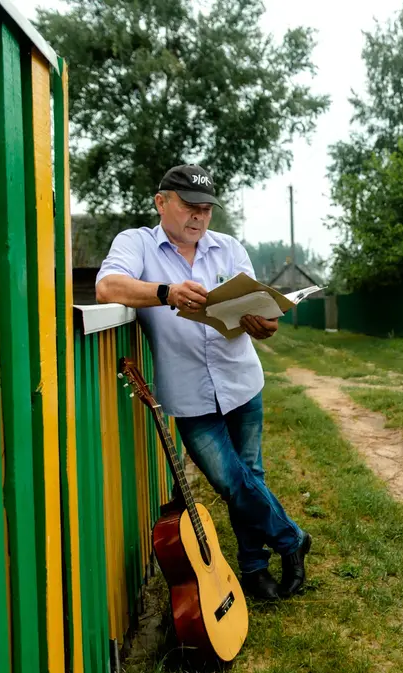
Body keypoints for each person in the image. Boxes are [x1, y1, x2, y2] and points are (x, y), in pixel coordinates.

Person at [95, 163, 310, 601]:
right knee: (229, 481)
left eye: (206, 210)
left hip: (240, 381)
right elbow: (106, 286)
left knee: (250, 474)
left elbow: (260, 316)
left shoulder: (229, 248)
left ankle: (254, 568)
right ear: (161, 202)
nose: (198, 217)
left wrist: (262, 324)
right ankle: (292, 540)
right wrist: (165, 293)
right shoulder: (136, 243)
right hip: (189, 393)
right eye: (189, 206)